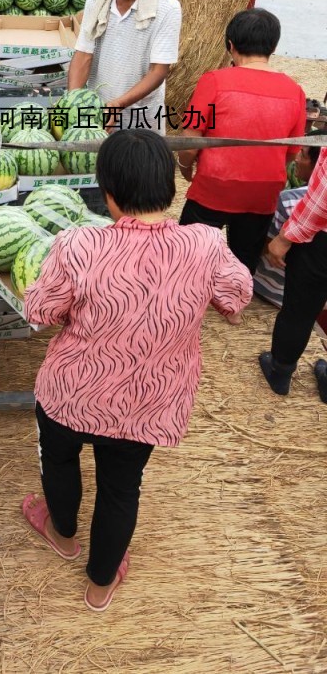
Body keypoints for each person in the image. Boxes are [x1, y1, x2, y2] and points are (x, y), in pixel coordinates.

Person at [22, 130, 252, 612]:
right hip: (146, 404)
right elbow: (237, 295)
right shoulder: (206, 244)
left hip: (71, 394)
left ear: (107, 192)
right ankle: (100, 583)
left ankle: (62, 533)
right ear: (171, 188)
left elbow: (39, 312)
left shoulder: (78, 245)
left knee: (60, 462)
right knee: (121, 488)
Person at [177, 9, 306, 274]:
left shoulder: (212, 80)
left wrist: (184, 166)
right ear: (274, 46)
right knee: (244, 258)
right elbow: (291, 153)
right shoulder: (296, 91)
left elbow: (191, 137)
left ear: (230, 45)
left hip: (215, 184)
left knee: (190, 250)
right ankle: (234, 307)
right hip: (263, 191)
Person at [67, 0, 182, 133]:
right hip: (99, 117)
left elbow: (158, 71)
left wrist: (119, 103)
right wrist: (73, 102)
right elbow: (83, 54)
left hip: (141, 118)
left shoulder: (167, 7)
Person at [259, 143, 327, 401]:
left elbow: (321, 201)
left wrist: (286, 237)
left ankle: (280, 371)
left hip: (322, 242)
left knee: (300, 308)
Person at [253, 132, 327, 308]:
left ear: (320, 163)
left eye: (302, 153)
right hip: (309, 300)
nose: (296, 160)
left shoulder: (288, 200)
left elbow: (261, 248)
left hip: (266, 292)